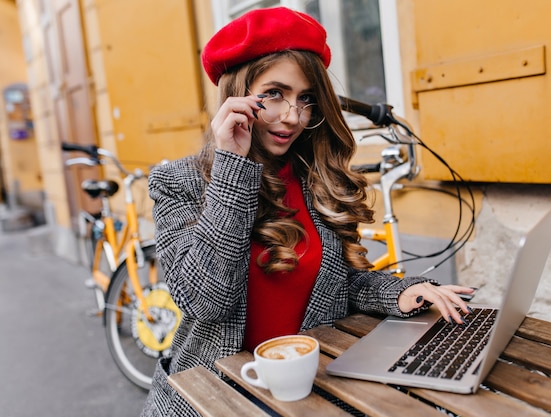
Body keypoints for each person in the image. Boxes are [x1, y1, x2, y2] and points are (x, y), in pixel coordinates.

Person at [140, 6, 475, 416]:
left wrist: (401, 292)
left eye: (307, 100)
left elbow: (339, 285)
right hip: (217, 398)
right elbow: (204, 301)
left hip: (307, 392)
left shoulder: (315, 178)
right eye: (274, 93)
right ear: (238, 95)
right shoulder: (181, 182)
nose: (293, 117)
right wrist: (232, 166)